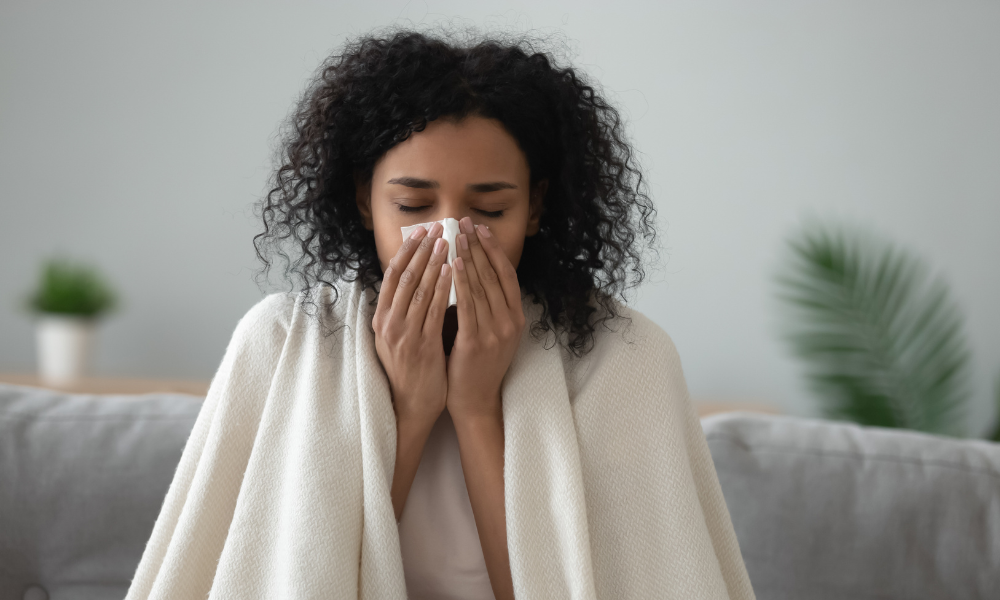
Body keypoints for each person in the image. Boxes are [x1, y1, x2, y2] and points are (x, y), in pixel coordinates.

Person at [126, 28, 755, 600]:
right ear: (364, 201)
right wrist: (409, 409)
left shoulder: (625, 357)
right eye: (412, 206)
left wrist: (477, 409)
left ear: (534, 209)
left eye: (489, 210)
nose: (450, 237)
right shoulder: (282, 343)